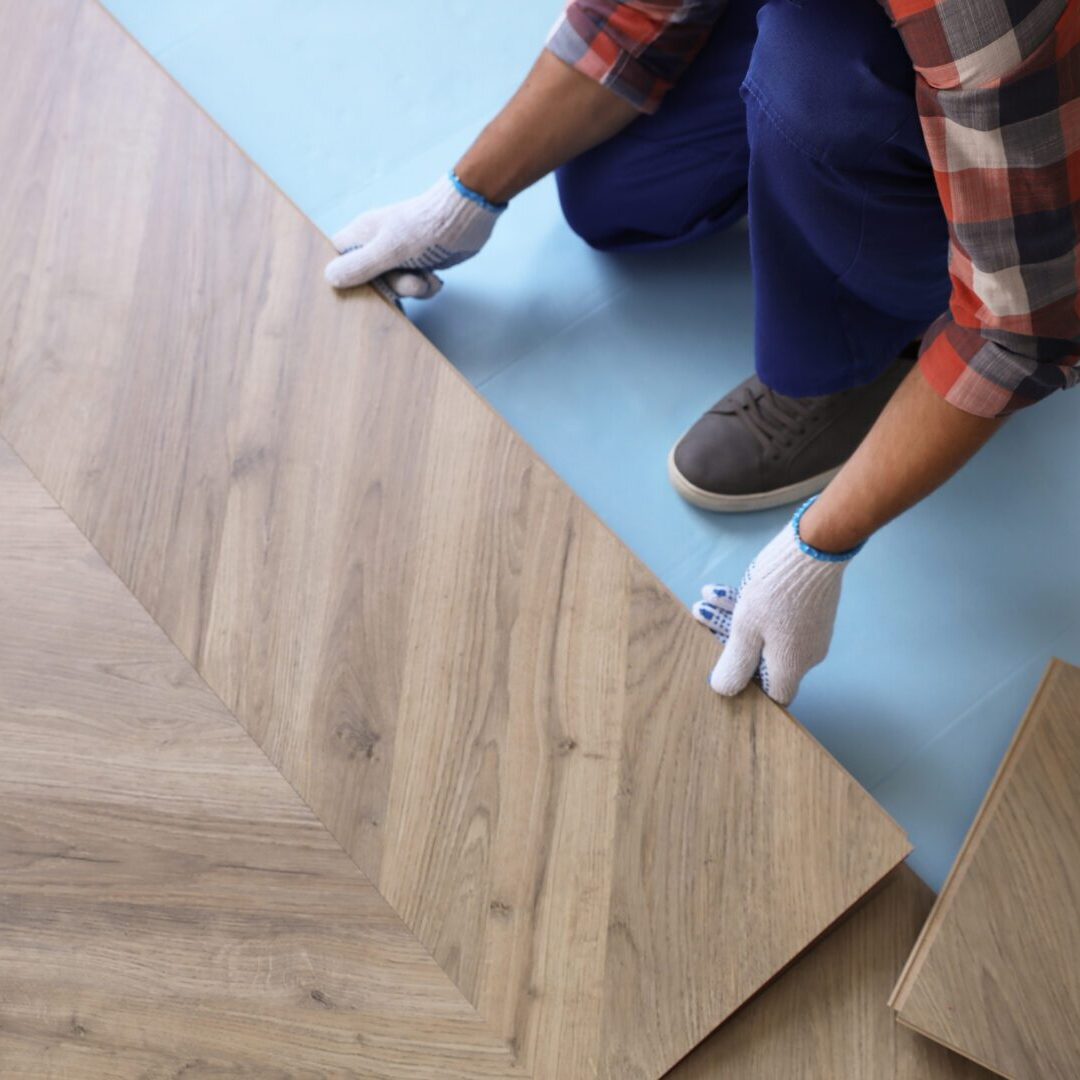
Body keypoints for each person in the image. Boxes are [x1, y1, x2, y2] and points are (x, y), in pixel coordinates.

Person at [325, 0, 1079, 705]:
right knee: (616, 194)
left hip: (1034, 97)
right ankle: (817, 156)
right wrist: (463, 197)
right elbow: (628, 18)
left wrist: (818, 548)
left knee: (815, 86)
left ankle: (858, 351)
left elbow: (1024, 324)